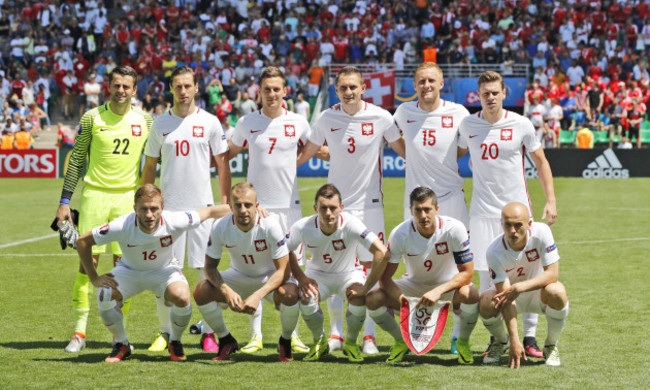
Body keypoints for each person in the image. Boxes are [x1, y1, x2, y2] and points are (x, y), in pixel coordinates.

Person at [297, 66, 405, 354]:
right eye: (343, 88)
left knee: (371, 269)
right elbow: (308, 151)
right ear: (337, 90)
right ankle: (336, 334)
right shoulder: (327, 117)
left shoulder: (382, 117)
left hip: (370, 206)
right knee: (334, 267)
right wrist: (286, 167)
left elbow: (404, 150)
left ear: (363, 87)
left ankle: (368, 337)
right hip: (336, 207)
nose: (348, 92)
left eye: (353, 87)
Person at [458, 71, 557, 359]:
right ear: (478, 95)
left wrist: (551, 200)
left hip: (517, 215)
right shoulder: (468, 124)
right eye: (484, 93)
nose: (489, 97)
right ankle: (497, 339)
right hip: (482, 215)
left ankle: (529, 338)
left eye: (494, 92)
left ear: (504, 93)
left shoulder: (521, 124)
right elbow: (453, 153)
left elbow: (541, 162)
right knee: (489, 283)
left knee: (530, 272)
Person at [54, 65, 152, 353]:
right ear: (109, 86)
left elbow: (155, 160)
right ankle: (79, 333)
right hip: (94, 196)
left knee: (126, 268)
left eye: (127, 86)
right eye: (117, 85)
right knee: (88, 267)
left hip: (126, 201)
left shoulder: (145, 122)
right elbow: (75, 160)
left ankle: (117, 335)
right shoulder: (92, 117)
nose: (121, 90)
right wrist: (64, 202)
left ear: (135, 90)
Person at [75, 184, 231, 363]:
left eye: (154, 209)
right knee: (104, 294)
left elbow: (209, 212)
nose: (149, 215)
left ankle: (175, 341)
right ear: (135, 209)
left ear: (162, 208)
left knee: (182, 296)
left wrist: (248, 208)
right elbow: (82, 242)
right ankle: (121, 343)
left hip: (164, 271)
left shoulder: (175, 220)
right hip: (129, 272)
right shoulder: (122, 225)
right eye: (144, 209)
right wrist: (94, 277)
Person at [142, 65, 231, 353]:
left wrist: (225, 201)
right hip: (168, 213)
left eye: (187, 86)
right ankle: (165, 332)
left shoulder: (210, 122)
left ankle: (209, 333)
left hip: (203, 210)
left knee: (206, 272)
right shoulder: (159, 124)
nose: (182, 91)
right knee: (165, 272)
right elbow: (151, 165)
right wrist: (145, 201)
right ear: (171, 89)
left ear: (196, 87)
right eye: (177, 86)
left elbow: (222, 162)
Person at [227, 66, 311, 355]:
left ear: (285, 91)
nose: (272, 94)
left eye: (277, 89)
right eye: (266, 90)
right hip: (257, 209)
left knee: (292, 274)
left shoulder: (299, 122)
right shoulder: (247, 122)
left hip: (290, 209)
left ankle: (293, 335)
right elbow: (227, 154)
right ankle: (255, 336)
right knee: (256, 271)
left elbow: (315, 149)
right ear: (259, 93)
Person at [392, 62, 471, 353]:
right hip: (415, 205)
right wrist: (410, 157)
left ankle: (457, 337)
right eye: (421, 81)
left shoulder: (458, 112)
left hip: (450, 200)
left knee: (459, 272)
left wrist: (448, 158)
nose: (427, 85)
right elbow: (392, 138)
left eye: (432, 80)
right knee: (415, 273)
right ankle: (413, 333)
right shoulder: (404, 112)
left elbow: (464, 147)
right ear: (415, 86)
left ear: (441, 84)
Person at [366, 187, 479, 364]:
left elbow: (468, 273)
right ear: (411, 210)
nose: (423, 215)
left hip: (446, 287)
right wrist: (404, 302)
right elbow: (385, 278)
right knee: (373, 299)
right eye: (418, 210)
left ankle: (463, 341)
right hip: (414, 286)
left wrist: (438, 291)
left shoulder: (454, 228)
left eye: (427, 209)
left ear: (437, 209)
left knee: (470, 293)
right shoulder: (400, 233)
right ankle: (400, 341)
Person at [193, 183, 300, 362]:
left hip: (269, 278)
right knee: (201, 290)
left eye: (248, 205)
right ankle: (226, 339)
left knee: (290, 294)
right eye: (238, 205)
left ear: (257, 205)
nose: (243, 210)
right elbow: (209, 268)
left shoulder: (270, 225)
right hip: (238, 276)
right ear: (230, 206)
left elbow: (284, 271)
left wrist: (258, 295)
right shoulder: (221, 226)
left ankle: (285, 341)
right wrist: (226, 290)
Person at [287, 184, 389, 362]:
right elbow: (282, 250)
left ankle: (350, 342)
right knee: (306, 297)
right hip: (318, 275)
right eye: (323, 208)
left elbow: (382, 253)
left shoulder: (352, 224)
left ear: (341, 208)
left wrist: (366, 287)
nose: (328, 213)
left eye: (333, 208)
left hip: (349, 275)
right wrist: (301, 277)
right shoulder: (303, 226)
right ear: (315, 209)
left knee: (359, 298)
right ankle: (319, 342)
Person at [480, 202, 569, 367]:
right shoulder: (493, 251)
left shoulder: (542, 232)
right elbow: (505, 297)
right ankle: (501, 341)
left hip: (537, 294)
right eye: (508, 225)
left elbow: (552, 274)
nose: (513, 231)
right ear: (502, 224)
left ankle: (550, 345)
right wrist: (514, 339)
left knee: (557, 292)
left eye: (518, 225)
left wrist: (520, 287)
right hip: (511, 298)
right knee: (485, 302)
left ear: (529, 224)